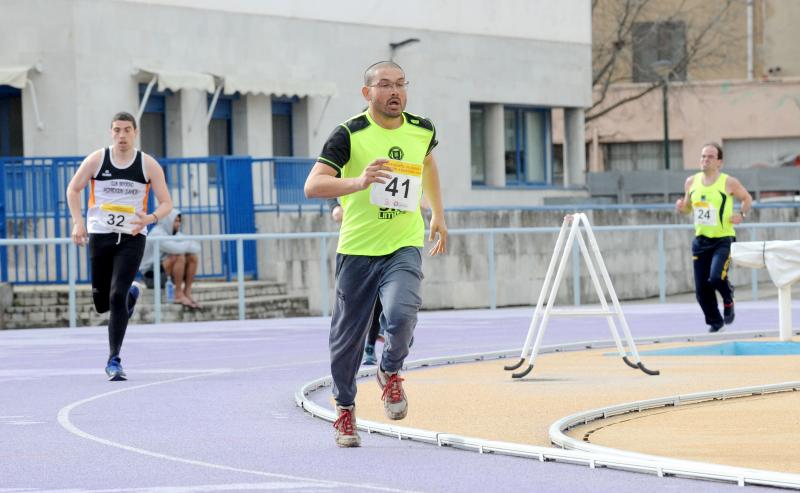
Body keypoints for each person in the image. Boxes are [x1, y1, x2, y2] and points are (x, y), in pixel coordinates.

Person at [305, 61, 447, 447]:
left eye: (401, 84)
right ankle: (346, 408)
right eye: (385, 85)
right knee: (346, 341)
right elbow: (313, 185)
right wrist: (358, 181)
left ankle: (389, 371)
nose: (395, 91)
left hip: (403, 243)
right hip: (358, 250)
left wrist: (437, 213)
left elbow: (428, 163)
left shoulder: (422, 129)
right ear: (367, 93)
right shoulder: (349, 134)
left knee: (402, 315)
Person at [67, 111, 172, 381]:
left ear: (135, 132)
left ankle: (114, 360)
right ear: (111, 132)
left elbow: (166, 203)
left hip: (132, 237)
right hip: (101, 235)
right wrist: (78, 222)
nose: (122, 135)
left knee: (115, 296)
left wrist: (150, 218)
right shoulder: (97, 160)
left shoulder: (147, 165)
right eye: (117, 130)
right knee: (102, 302)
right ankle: (130, 297)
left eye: (127, 130)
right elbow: (73, 189)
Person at [675, 142, 753, 333]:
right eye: (703, 156)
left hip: (723, 239)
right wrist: (681, 207)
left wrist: (741, 215)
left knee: (716, 277)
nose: (705, 160)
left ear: (719, 162)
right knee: (702, 290)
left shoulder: (728, 182)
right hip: (701, 241)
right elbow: (687, 208)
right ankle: (715, 322)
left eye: (710, 156)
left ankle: (728, 298)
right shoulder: (691, 182)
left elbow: (747, 198)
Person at [327, 198, 384, 366]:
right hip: (356, 242)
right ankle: (347, 358)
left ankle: (371, 344)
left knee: (380, 295)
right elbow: (326, 176)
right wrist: (334, 206)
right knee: (353, 304)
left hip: (385, 236)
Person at [140, 208, 202, 309]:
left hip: (164, 273)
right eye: (176, 221)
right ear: (168, 220)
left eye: (179, 221)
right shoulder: (157, 233)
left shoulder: (173, 233)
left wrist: (185, 245)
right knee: (179, 256)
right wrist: (187, 244)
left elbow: (197, 247)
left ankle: (187, 292)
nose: (178, 224)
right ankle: (178, 294)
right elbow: (177, 249)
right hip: (150, 277)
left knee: (192, 257)